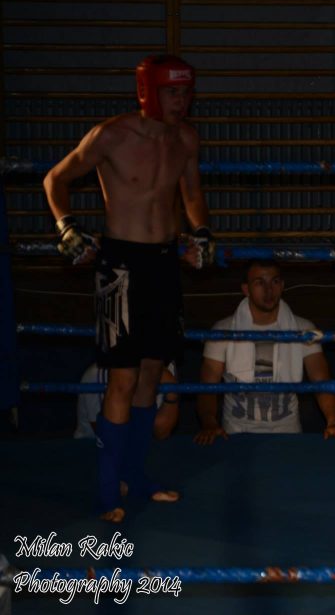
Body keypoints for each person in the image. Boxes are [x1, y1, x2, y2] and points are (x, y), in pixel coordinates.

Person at [42, 54, 213, 522]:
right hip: (120, 266)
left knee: (152, 374)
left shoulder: (186, 139)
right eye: (173, 92)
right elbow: (55, 179)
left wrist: (202, 233)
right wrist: (66, 226)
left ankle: (135, 476)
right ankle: (106, 492)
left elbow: (192, 194)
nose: (182, 101)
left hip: (164, 264)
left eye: (186, 92)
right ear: (149, 92)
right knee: (122, 378)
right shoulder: (112, 135)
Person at [195, 259, 335, 445]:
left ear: (282, 286)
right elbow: (208, 386)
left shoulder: (304, 329)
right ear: (246, 289)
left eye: (275, 281)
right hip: (236, 433)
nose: (269, 290)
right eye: (259, 283)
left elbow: (321, 380)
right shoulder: (222, 331)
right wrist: (209, 423)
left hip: (288, 434)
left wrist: (334, 421)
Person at [75, 363, 179, 440]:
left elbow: (161, 433)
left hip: (145, 448)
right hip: (90, 447)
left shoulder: (164, 367)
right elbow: (108, 436)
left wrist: (172, 390)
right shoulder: (98, 373)